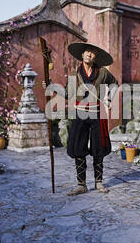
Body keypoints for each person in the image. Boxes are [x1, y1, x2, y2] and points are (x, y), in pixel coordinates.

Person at [43, 42, 118, 196]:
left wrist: (109, 98)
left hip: (97, 113)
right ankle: (81, 184)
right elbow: (67, 93)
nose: (89, 54)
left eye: (92, 52)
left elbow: (114, 84)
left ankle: (98, 182)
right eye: (87, 52)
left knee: (99, 147)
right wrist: (51, 86)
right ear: (82, 55)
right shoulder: (75, 74)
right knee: (78, 147)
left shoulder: (103, 73)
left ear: (96, 56)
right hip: (80, 113)